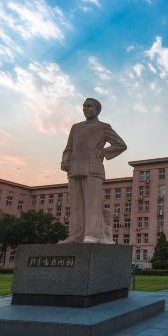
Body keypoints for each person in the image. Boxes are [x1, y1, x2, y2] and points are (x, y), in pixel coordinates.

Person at [60, 98, 127, 243]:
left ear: (97, 110)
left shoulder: (103, 127)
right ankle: (75, 236)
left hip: (93, 169)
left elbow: (120, 144)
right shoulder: (76, 127)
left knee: (93, 203)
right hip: (74, 167)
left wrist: (103, 152)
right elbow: (69, 148)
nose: (85, 108)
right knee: (76, 205)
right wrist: (65, 160)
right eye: (84, 106)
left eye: (89, 106)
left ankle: (92, 234)